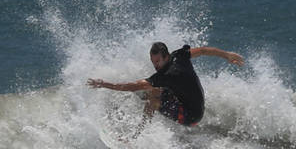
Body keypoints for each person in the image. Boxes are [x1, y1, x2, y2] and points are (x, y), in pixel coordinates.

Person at [87, 42, 244, 129]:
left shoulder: (166, 76)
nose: (155, 65)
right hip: (191, 103)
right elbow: (203, 50)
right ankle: (146, 96)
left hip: (192, 117)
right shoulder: (179, 55)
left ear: (166, 56)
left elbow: (132, 86)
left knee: (153, 99)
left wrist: (104, 84)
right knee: (153, 90)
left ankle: (139, 134)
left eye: (157, 62)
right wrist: (227, 54)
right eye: (153, 62)